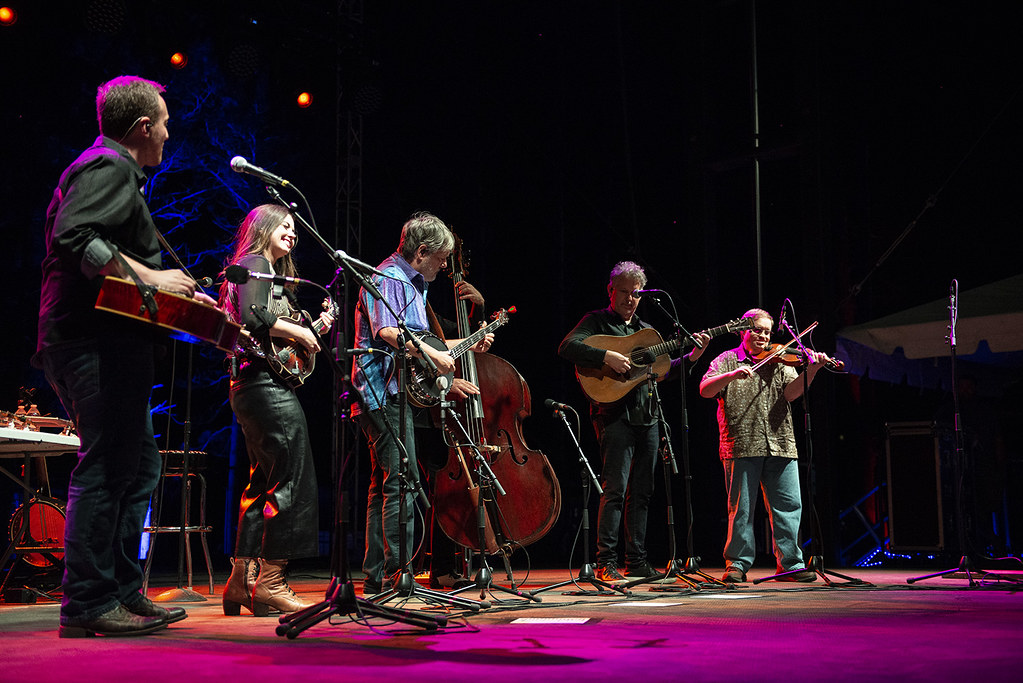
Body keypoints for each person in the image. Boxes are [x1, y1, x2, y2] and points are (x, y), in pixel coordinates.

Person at [33, 75, 208, 637]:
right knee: (108, 467)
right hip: (90, 344)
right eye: (163, 125)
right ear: (141, 127)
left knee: (139, 466)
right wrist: (156, 277)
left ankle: (121, 590)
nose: (166, 134)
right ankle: (86, 604)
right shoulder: (107, 167)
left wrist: (181, 300)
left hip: (108, 343)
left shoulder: (118, 175)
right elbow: (75, 236)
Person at [351, 212, 493, 594]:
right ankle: (401, 578)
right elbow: (386, 331)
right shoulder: (390, 277)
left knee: (385, 487)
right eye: (442, 257)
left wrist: (466, 343)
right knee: (403, 483)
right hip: (381, 393)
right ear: (423, 251)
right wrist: (433, 357)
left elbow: (422, 342)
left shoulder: (413, 284)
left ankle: (377, 577)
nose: (446, 265)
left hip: (392, 394)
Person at [558, 261, 708, 584]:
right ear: (610, 291)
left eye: (635, 294)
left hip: (649, 417)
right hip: (613, 417)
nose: (629, 299)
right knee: (615, 489)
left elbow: (662, 372)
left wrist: (693, 358)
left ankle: (636, 560)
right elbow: (567, 346)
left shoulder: (645, 331)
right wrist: (606, 357)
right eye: (623, 292)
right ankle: (605, 562)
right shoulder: (595, 321)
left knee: (642, 491)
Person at [218, 204, 333, 616]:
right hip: (264, 388)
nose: (292, 233)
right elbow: (253, 316)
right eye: (284, 226)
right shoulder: (254, 263)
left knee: (262, 483)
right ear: (262, 228)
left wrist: (312, 328)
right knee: (292, 480)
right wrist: (301, 329)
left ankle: (239, 583)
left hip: (252, 387)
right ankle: (271, 582)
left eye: (295, 229)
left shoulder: (265, 271)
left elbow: (268, 331)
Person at [699, 308, 826, 583]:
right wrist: (731, 376)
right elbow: (705, 389)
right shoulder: (727, 360)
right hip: (741, 443)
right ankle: (736, 564)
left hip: (780, 442)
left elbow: (791, 393)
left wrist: (812, 370)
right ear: (743, 330)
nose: (763, 336)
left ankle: (791, 564)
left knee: (789, 506)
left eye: (767, 331)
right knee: (741, 509)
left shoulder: (780, 361)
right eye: (757, 329)